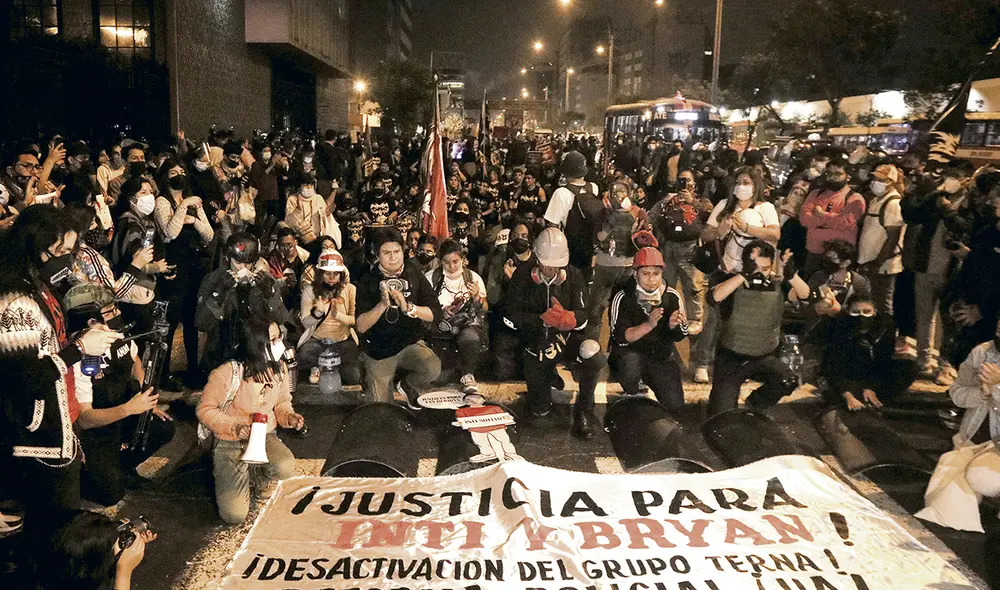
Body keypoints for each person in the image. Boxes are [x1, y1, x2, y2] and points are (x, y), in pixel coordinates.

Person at [0, 206, 122, 526]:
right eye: (62, 251)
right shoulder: (15, 302)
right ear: (37, 248)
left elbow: (49, 345)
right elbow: (26, 379)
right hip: (37, 435)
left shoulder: (39, 284)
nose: (68, 260)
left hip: (60, 418)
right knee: (56, 523)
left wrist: (80, 339)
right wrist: (80, 349)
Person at [64, 286, 174, 507]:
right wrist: (130, 409)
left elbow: (135, 362)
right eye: (109, 311)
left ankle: (122, 466)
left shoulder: (115, 335)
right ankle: (90, 475)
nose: (116, 315)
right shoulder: (76, 360)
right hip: (95, 432)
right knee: (110, 494)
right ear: (89, 320)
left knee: (163, 427)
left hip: (123, 410)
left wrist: (146, 395)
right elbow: (85, 419)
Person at [197, 317, 303, 524]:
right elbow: (205, 410)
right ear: (256, 345)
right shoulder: (228, 372)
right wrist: (235, 426)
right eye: (272, 340)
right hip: (230, 441)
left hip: (264, 435)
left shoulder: (279, 368)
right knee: (234, 515)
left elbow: (282, 401)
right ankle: (228, 470)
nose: (279, 343)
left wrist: (289, 417)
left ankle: (255, 476)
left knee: (285, 466)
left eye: (278, 337)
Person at [503, 228, 605, 439]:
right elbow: (509, 316)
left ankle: (584, 409)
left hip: (567, 338)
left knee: (593, 353)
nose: (550, 269)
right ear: (536, 258)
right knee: (539, 410)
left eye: (556, 265)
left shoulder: (575, 275)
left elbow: (584, 315)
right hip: (535, 343)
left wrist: (569, 318)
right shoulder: (521, 275)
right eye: (544, 262)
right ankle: (547, 374)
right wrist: (539, 320)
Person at [694, 167, 780, 384]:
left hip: (752, 275)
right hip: (726, 271)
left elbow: (774, 234)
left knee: (744, 320)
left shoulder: (765, 208)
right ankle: (703, 362)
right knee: (714, 319)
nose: (742, 186)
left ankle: (745, 364)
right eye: (738, 182)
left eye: (747, 182)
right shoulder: (724, 205)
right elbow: (705, 233)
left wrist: (748, 228)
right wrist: (720, 232)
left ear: (756, 185)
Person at [706, 241, 810, 416]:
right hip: (731, 358)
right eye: (756, 268)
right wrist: (744, 275)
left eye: (765, 268)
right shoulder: (730, 280)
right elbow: (713, 297)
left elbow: (806, 296)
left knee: (788, 380)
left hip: (764, 356)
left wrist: (791, 275)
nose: (760, 274)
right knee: (721, 415)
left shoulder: (778, 283)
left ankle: (754, 405)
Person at [354, 228, 442, 406]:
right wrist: (382, 305)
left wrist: (410, 308)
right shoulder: (367, 280)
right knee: (381, 407)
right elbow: (361, 326)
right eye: (386, 253)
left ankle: (407, 385)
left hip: (409, 343)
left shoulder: (413, 271)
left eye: (397, 251)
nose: (393, 257)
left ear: (404, 251)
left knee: (433, 367)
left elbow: (435, 313)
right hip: (379, 351)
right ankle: (369, 373)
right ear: (377, 255)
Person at [155, 159, 215, 390]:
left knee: (192, 323)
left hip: (193, 268)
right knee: (170, 323)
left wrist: (193, 216)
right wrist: (183, 208)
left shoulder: (193, 201)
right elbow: (169, 232)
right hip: (173, 268)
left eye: (182, 170)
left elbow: (208, 234)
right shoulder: (162, 201)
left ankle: (193, 369)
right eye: (173, 172)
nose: (178, 175)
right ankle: (162, 374)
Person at [609, 246, 688, 410]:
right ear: (635, 273)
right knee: (630, 365)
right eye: (645, 274)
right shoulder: (622, 296)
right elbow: (620, 338)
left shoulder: (672, 296)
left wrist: (674, 326)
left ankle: (651, 380)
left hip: (660, 356)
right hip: (631, 353)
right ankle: (632, 388)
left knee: (676, 406)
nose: (651, 279)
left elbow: (681, 334)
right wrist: (649, 325)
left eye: (656, 274)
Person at [820, 296, 917, 410]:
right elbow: (833, 366)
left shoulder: (884, 327)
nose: (861, 316)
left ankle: (877, 401)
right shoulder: (840, 327)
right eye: (856, 312)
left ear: (874, 312)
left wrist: (871, 387)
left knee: (909, 367)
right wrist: (848, 395)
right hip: (848, 374)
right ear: (848, 312)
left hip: (874, 373)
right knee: (834, 393)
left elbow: (884, 360)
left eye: (866, 312)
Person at [648, 167, 704, 334]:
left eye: (688, 180)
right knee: (666, 284)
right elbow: (652, 215)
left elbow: (710, 217)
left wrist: (693, 202)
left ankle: (695, 318)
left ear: (694, 183)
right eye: (681, 179)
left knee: (692, 286)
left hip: (690, 249)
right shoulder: (669, 200)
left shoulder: (701, 201)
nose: (685, 183)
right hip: (669, 247)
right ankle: (666, 314)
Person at [427, 238, 488, 393]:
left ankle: (468, 375)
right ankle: (453, 368)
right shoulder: (430, 278)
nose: (452, 266)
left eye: (455, 261)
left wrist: (476, 298)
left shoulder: (472, 277)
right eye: (447, 262)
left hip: (467, 325)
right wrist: (439, 312)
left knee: (470, 337)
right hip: (440, 329)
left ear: (463, 259)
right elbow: (422, 306)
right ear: (440, 261)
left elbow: (485, 308)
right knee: (438, 379)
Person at [297, 249, 360, 385]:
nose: (332, 278)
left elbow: (355, 320)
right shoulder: (310, 291)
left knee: (354, 377)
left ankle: (332, 367)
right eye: (327, 273)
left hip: (342, 341)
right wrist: (317, 313)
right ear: (320, 274)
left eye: (336, 273)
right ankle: (319, 367)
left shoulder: (350, 289)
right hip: (317, 341)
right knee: (304, 353)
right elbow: (305, 323)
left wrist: (338, 316)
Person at [799, 160, 867, 279]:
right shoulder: (815, 194)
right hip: (814, 252)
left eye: (837, 174)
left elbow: (845, 222)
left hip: (839, 257)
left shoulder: (854, 198)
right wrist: (832, 219)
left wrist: (821, 214)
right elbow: (805, 219)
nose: (832, 177)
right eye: (829, 173)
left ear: (848, 177)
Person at [857, 164, 905, 318]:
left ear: (891, 182)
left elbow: (893, 236)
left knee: (882, 305)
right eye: (875, 178)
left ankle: (885, 338)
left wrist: (878, 262)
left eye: (881, 179)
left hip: (882, 266)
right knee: (871, 303)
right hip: (870, 262)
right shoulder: (877, 200)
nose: (875, 182)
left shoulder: (892, 203)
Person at [543, 151, 602, 274]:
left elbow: (553, 227)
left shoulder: (561, 193)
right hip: (590, 246)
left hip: (570, 248)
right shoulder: (593, 188)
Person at [285, 173, 340, 251]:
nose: (309, 188)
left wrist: (328, 211)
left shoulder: (318, 198)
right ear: (299, 186)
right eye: (306, 186)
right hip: (301, 240)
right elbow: (289, 221)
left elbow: (324, 217)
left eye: (311, 186)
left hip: (319, 238)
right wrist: (297, 210)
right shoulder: (292, 199)